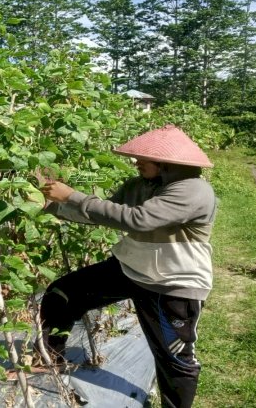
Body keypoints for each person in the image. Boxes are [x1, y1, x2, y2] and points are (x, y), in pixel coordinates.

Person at [39, 124, 217, 408]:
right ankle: (51, 358)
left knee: (174, 358)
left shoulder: (193, 190)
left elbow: (137, 220)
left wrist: (71, 195)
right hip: (131, 268)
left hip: (171, 283)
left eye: (142, 159)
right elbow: (103, 213)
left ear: (166, 163)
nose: (136, 163)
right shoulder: (140, 185)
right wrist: (49, 206)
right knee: (63, 293)